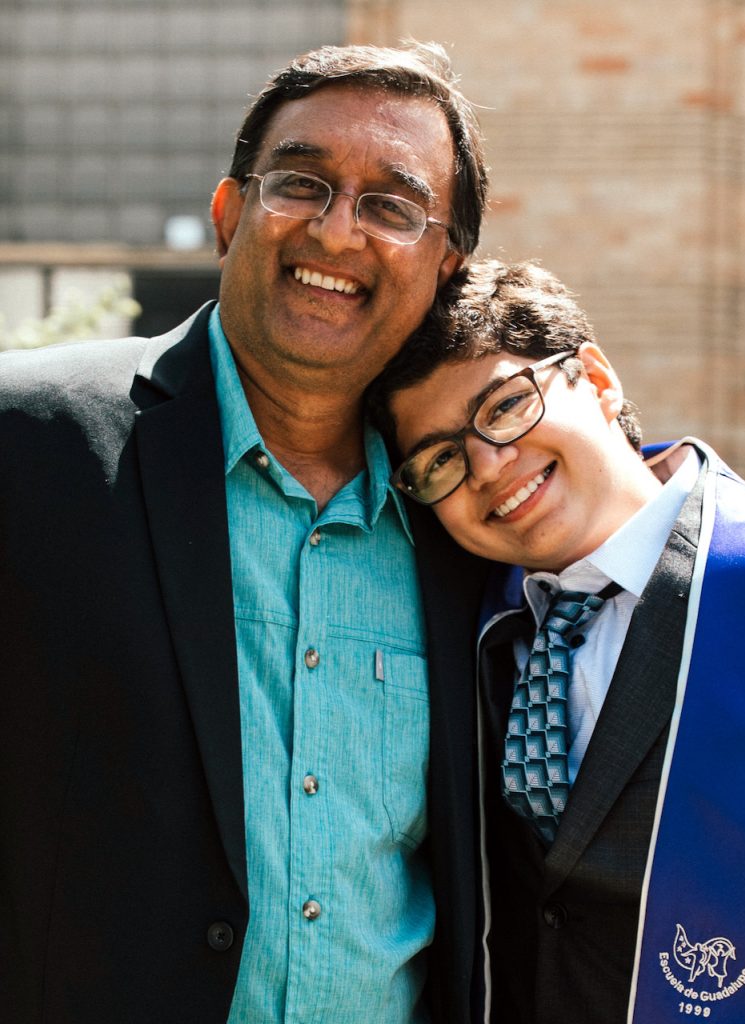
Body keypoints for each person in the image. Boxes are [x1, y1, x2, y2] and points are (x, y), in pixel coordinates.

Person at [0, 43, 492, 1024]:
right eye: (300, 182)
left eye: (391, 204)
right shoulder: (29, 443)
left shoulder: (469, 520)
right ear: (230, 215)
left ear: (446, 267)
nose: (335, 228)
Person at [367, 258, 745, 1023]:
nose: (489, 467)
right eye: (441, 460)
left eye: (505, 407)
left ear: (596, 379)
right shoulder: (471, 625)